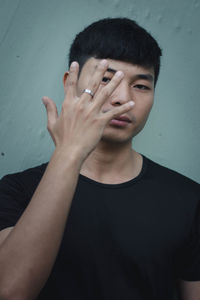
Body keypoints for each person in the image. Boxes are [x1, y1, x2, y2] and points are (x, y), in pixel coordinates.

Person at [0, 17, 199, 300]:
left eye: (141, 86)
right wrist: (70, 150)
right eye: (106, 80)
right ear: (70, 82)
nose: (122, 98)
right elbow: (10, 291)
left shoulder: (189, 199)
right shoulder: (17, 190)